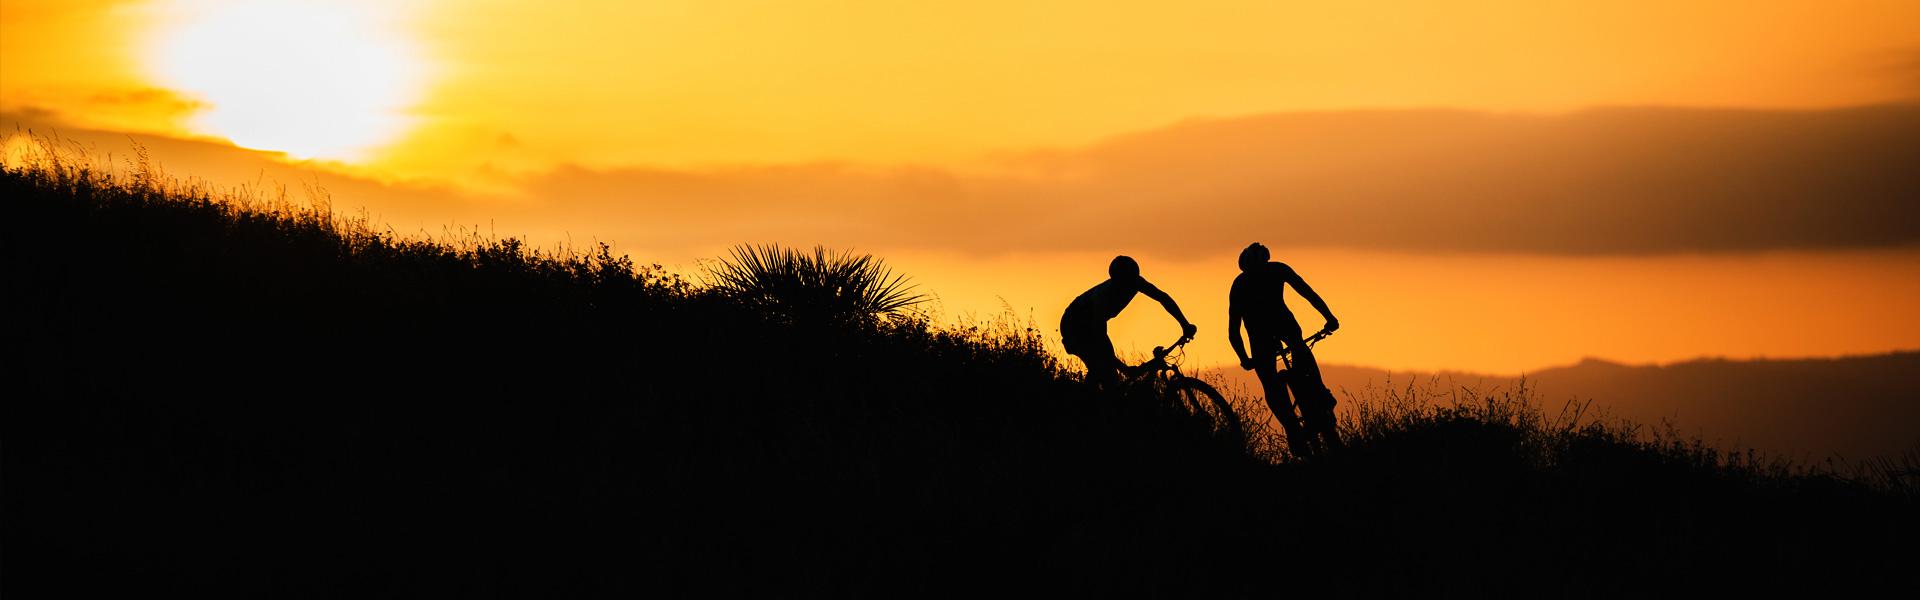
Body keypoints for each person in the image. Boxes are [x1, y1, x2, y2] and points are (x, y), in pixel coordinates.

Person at [1226, 243, 1344, 455]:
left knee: (1272, 381)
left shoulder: (1241, 283)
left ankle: (1295, 426)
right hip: (1279, 329)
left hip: (1264, 336)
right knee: (1300, 355)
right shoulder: (1276, 270)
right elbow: (1308, 293)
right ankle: (1312, 406)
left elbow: (1233, 328)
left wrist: (1244, 358)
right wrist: (1329, 318)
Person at [1061, 256, 1198, 387]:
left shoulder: (1137, 282)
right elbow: (1100, 338)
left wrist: (1184, 324)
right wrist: (1124, 368)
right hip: (1073, 325)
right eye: (1126, 282)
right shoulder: (1102, 298)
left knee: (1105, 371)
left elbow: (1163, 298)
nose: (1130, 286)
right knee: (1104, 369)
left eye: (1133, 280)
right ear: (1116, 281)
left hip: (1089, 324)